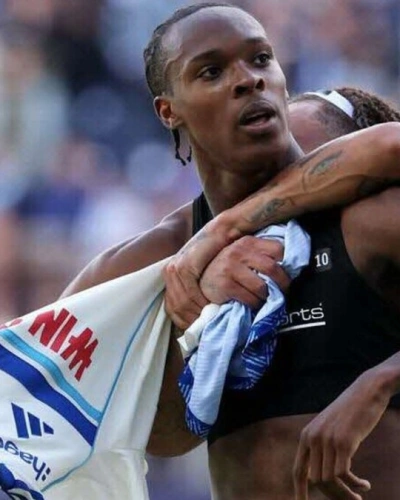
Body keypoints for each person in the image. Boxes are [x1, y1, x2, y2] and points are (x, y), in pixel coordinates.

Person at [59, 2, 400, 499]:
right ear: (168, 110)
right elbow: (160, 435)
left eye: (261, 59)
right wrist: (189, 326)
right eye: (212, 71)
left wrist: (381, 381)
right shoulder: (158, 260)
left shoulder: (366, 217)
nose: (248, 80)